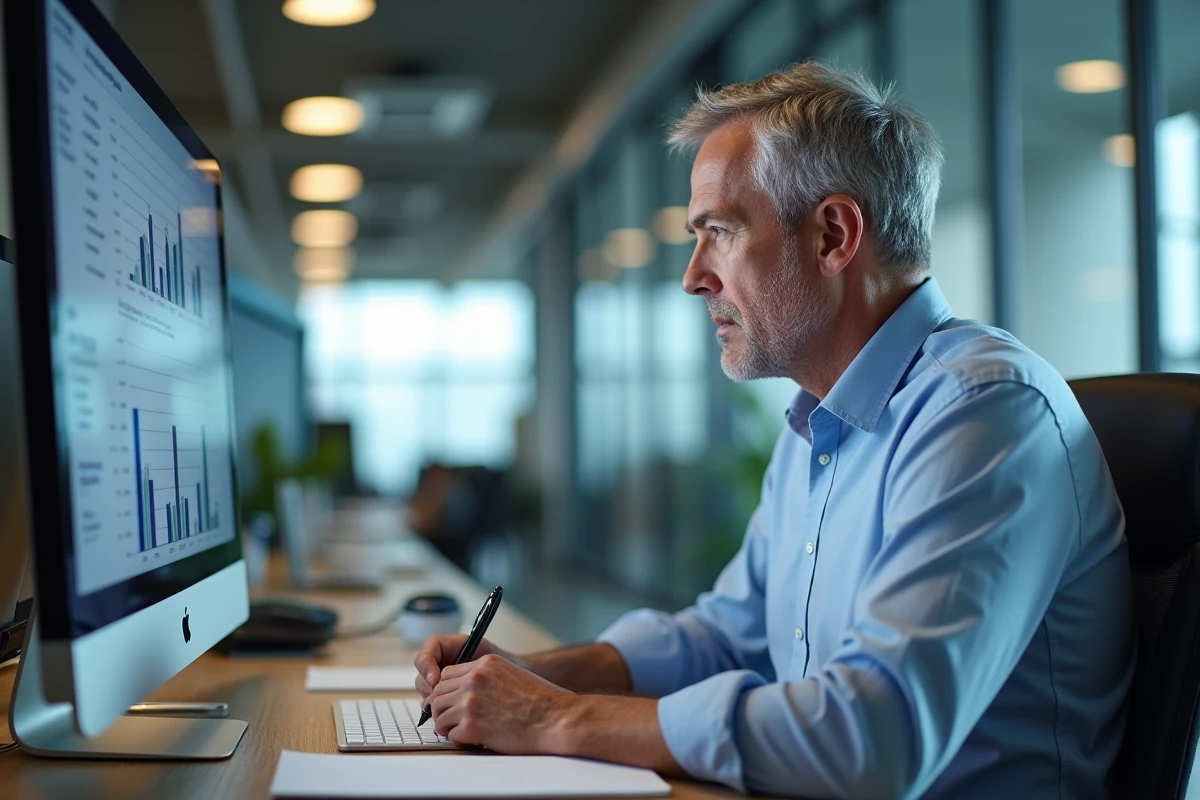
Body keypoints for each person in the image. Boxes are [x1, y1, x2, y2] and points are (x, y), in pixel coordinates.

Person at [414, 61, 1135, 798]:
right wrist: (537, 673)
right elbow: (730, 634)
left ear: (832, 235)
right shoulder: (816, 425)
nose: (694, 277)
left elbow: (871, 739)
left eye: (719, 232)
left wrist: (555, 721)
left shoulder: (982, 410)